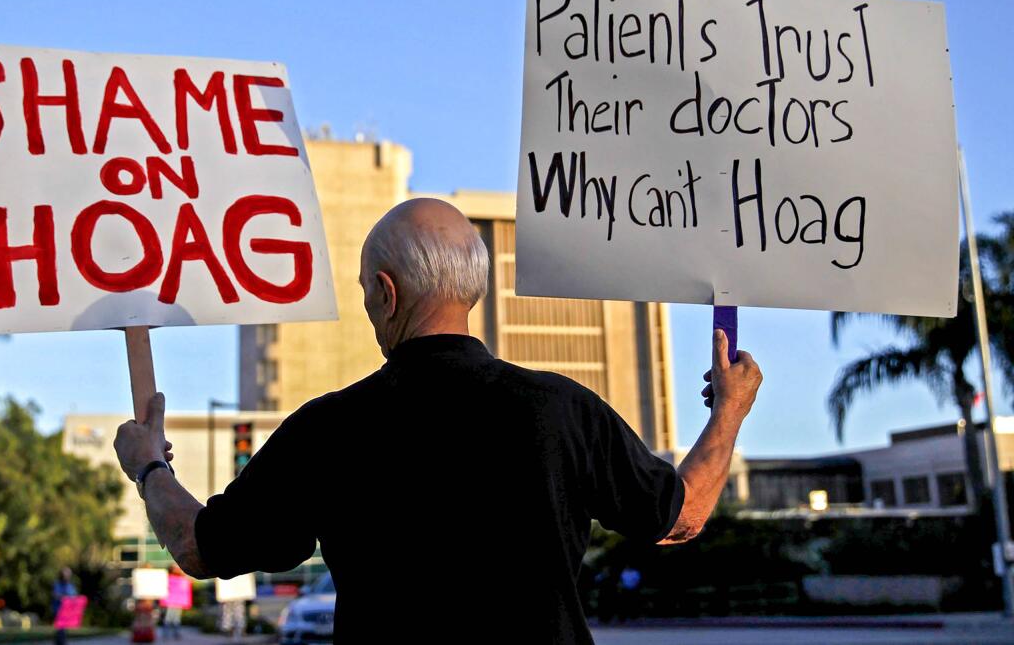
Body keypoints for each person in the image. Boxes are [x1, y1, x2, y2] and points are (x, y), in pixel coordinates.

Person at [115, 198, 764, 644]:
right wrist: (729, 410)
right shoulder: (562, 409)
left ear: (387, 292)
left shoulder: (329, 429)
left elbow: (199, 545)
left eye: (368, 288)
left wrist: (150, 464)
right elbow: (683, 515)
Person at [51, 568, 77, 645]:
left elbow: (73, 596)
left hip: (67, 611)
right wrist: (63, 598)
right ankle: (60, 642)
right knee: (61, 630)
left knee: (63, 630)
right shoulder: (57, 584)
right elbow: (55, 595)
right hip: (58, 610)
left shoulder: (70, 586)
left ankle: (60, 642)